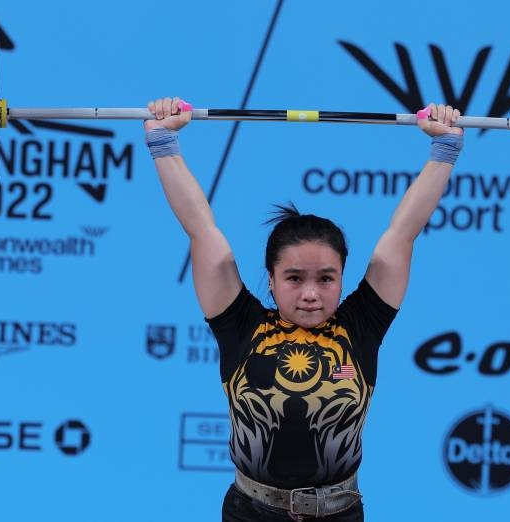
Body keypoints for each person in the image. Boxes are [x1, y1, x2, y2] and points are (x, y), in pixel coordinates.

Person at [145, 97, 463, 521]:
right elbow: (200, 227)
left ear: (343, 280)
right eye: (295, 279)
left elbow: (402, 233)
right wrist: (163, 142)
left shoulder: (362, 325)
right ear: (271, 279)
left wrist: (444, 149)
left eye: (326, 279)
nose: (310, 293)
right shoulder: (240, 325)